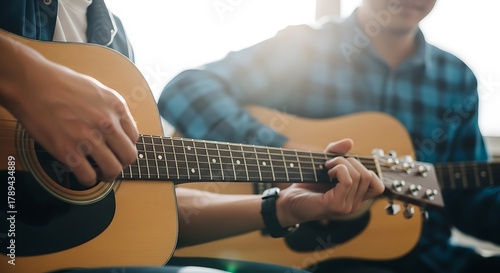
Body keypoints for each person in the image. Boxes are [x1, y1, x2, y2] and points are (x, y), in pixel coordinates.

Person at [0, 1, 384, 273]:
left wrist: (282, 207)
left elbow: (143, 217)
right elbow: (186, 90)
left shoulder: (112, 41)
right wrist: (25, 78)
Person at [158, 0, 500, 273]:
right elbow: (184, 90)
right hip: (316, 256)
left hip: (432, 258)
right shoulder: (304, 47)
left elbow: (469, 200)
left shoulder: (457, 78)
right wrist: (281, 152)